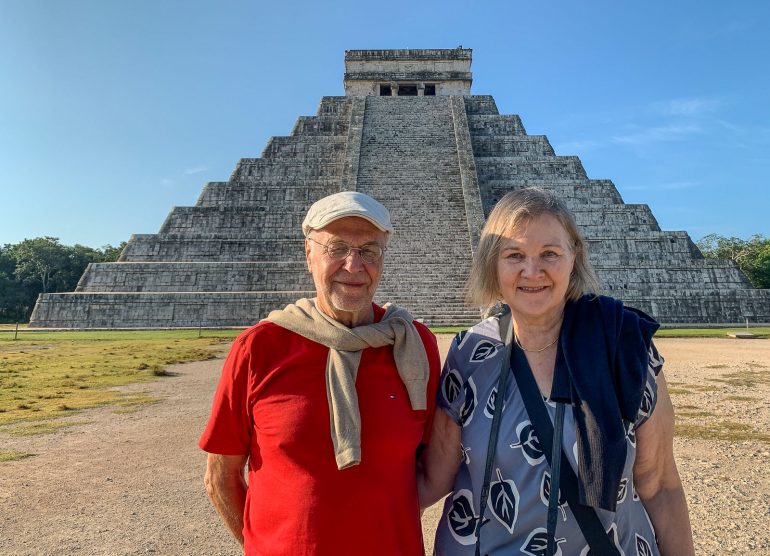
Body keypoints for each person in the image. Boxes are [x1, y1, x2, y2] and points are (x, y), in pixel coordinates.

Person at [418, 188, 694, 555]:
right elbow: (434, 475)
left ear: (574, 257)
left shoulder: (625, 346)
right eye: (514, 255)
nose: (532, 271)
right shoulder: (471, 353)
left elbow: (660, 484)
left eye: (549, 253)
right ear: (492, 263)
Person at [199, 191, 441, 556]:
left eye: (369, 251)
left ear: (383, 258)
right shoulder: (260, 347)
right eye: (337, 247)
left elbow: (432, 461)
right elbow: (220, 478)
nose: (353, 265)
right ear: (308, 254)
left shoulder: (413, 346)